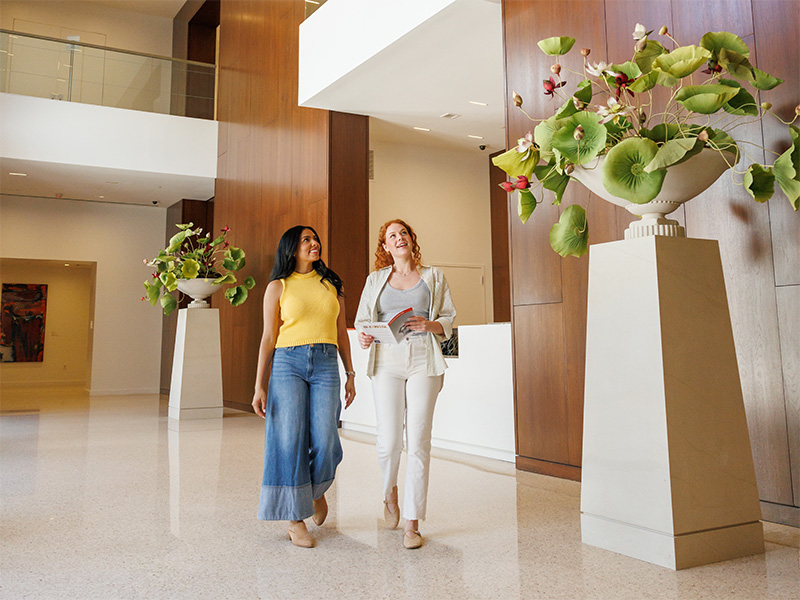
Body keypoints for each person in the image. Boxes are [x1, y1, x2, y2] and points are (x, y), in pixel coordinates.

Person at [252, 225, 356, 548]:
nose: (315, 243)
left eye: (315, 238)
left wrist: (350, 372)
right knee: (288, 439)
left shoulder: (332, 285)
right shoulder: (278, 287)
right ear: (291, 249)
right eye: (306, 240)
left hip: (326, 362)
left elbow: (341, 333)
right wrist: (259, 385)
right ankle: (295, 520)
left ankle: (314, 490)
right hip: (287, 364)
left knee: (326, 439)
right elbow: (268, 338)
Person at [355, 219, 456, 549]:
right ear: (385, 247)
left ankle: (412, 523)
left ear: (412, 239)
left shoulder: (434, 276)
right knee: (388, 442)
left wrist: (430, 324)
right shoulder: (375, 280)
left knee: (419, 439)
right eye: (391, 236)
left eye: (403, 233)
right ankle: (390, 493)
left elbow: (449, 321)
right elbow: (361, 324)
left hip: (422, 358)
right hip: (386, 358)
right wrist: (366, 336)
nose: (398, 239)